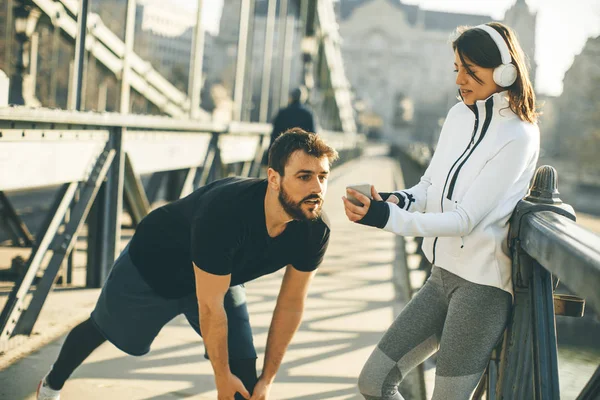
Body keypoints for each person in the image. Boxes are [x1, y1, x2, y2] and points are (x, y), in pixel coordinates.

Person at [37, 128, 338, 400]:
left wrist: (268, 379)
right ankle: (52, 383)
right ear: (274, 178)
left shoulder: (314, 228)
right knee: (101, 328)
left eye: (322, 177)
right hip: (153, 267)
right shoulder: (226, 213)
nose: (317, 188)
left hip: (220, 277)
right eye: (304, 176)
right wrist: (220, 378)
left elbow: (291, 304)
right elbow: (209, 306)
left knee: (244, 376)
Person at [343, 22, 539, 399]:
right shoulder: (457, 117)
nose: (460, 80)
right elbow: (430, 186)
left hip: (482, 290)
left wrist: (386, 220)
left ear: (505, 71)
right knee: (374, 381)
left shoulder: (520, 134)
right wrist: (395, 200)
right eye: (456, 70)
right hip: (440, 276)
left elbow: (464, 219)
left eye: (470, 71)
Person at [267, 87, 316, 156]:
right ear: (303, 99)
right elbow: (313, 136)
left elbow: (275, 135)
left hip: (283, 153)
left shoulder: (282, 113)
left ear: (291, 97)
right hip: (301, 154)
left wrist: (269, 155)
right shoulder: (308, 114)